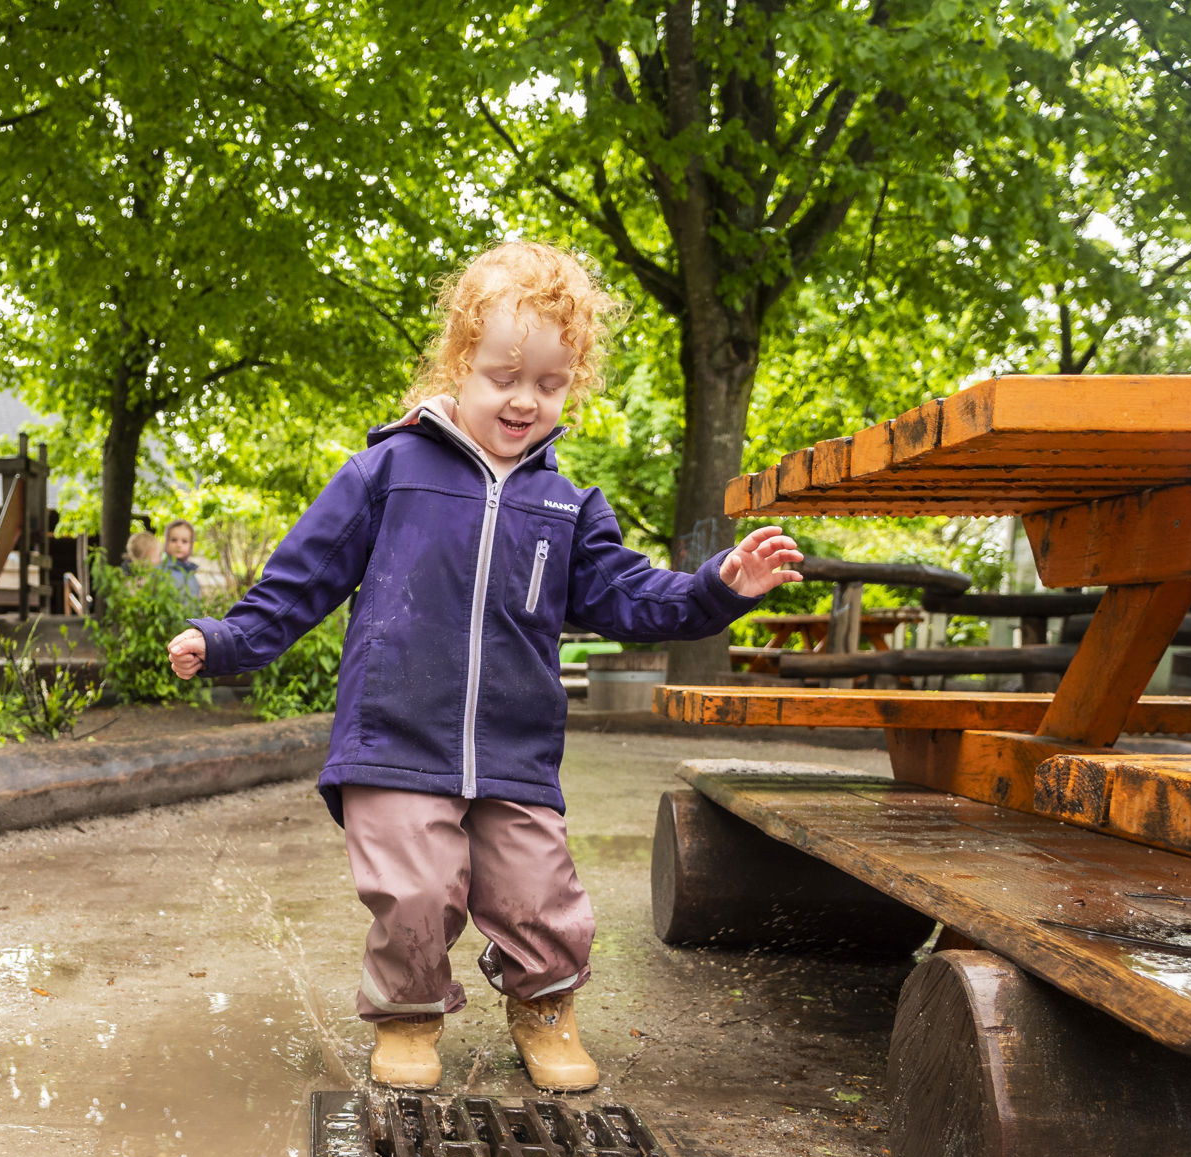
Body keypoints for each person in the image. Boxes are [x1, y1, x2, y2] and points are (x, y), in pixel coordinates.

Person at [166, 242, 802, 1092]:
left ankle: (545, 1006)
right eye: (505, 376)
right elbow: (298, 582)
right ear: (460, 363)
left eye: (550, 383)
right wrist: (226, 640)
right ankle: (408, 1014)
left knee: (542, 896)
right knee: (416, 893)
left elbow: (631, 597)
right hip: (395, 739)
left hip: (513, 751)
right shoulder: (386, 473)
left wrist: (718, 587)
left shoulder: (567, 507)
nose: (525, 399)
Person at [160, 519, 202, 603]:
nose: (179, 545)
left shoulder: (191, 574)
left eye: (184, 541)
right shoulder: (160, 572)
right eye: (174, 540)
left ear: (191, 546)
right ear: (166, 543)